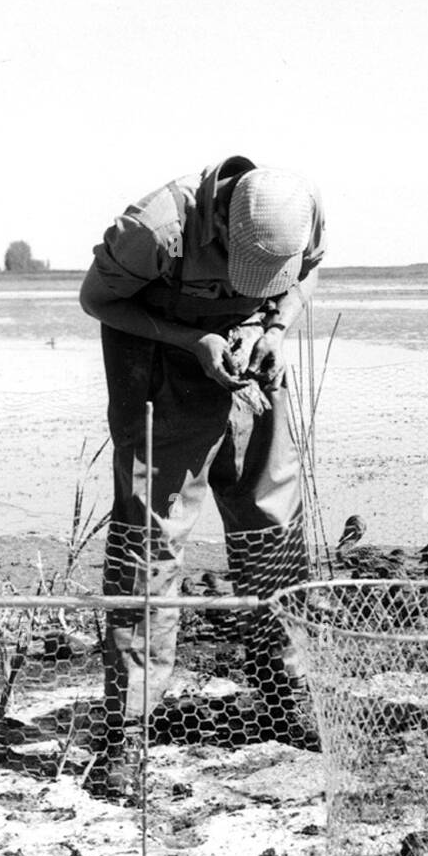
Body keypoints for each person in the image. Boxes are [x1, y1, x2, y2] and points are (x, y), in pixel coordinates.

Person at [80, 156, 324, 796]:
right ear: (219, 220)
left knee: (271, 521)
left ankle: (280, 691)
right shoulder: (156, 228)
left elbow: (305, 278)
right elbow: (96, 299)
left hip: (246, 357)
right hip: (159, 358)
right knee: (151, 539)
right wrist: (193, 343)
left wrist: (274, 329)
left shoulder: (301, 212)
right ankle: (126, 734)